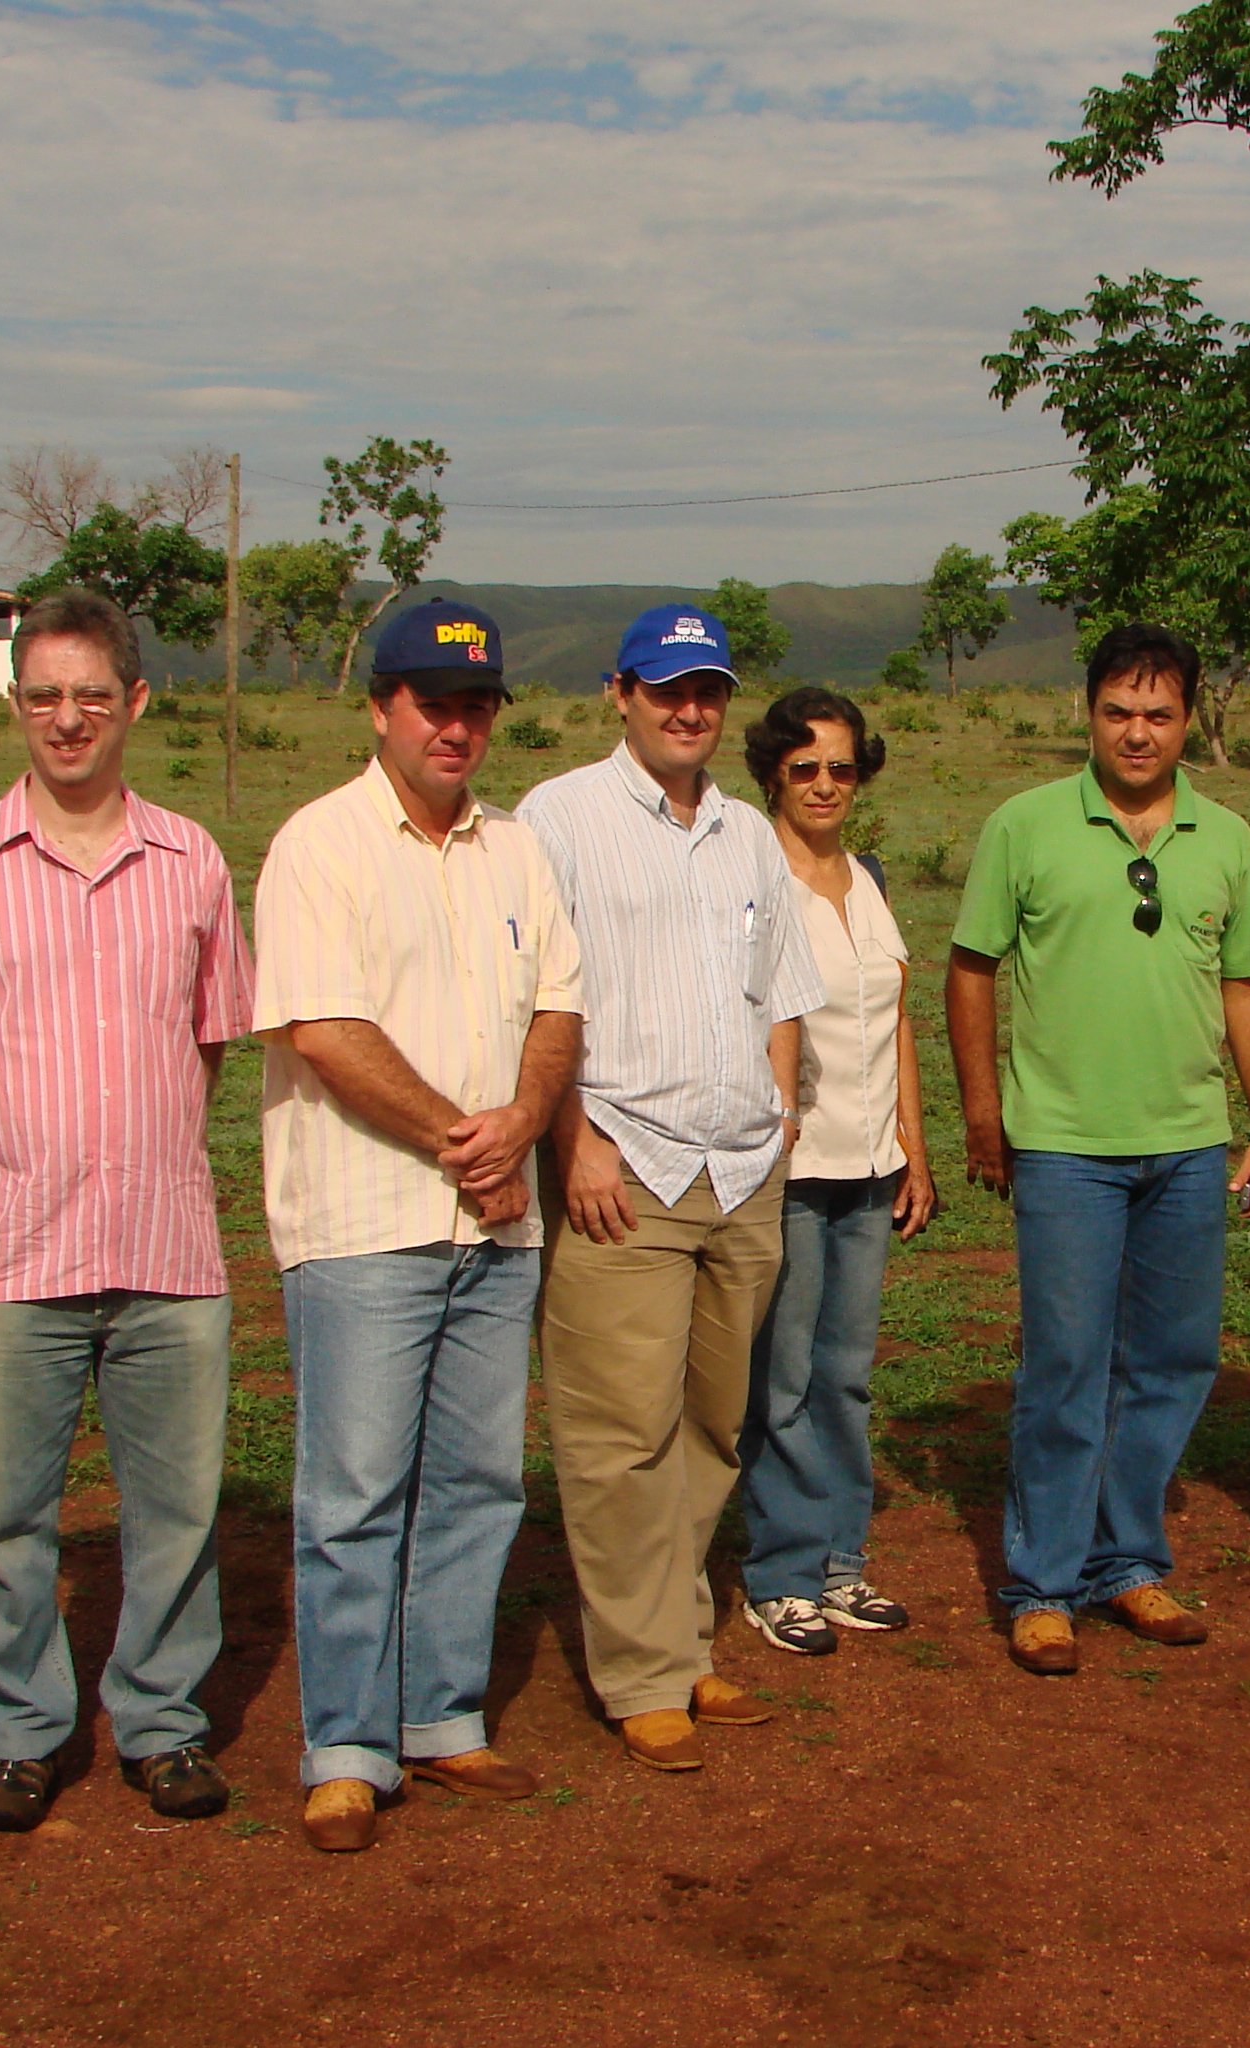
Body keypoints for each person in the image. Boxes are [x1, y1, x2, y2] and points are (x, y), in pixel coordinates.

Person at [0, 588, 253, 1831]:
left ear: (134, 702)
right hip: (11, 1244)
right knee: (5, 1513)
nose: (66, 719)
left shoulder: (193, 861)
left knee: (176, 1508)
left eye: (90, 695)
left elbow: (206, 1039)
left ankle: (164, 1722)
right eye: (42, 695)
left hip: (166, 1243)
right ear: (13, 706)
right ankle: (19, 1731)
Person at [252, 600, 582, 1852]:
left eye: (475, 703)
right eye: (430, 702)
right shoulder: (319, 845)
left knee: (477, 1481)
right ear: (380, 707)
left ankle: (442, 1715)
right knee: (353, 1491)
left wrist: (526, 1120)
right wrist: (475, 1141)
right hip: (366, 1220)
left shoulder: (518, 850)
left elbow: (560, 1007)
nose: (455, 724)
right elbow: (325, 1032)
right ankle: (345, 1743)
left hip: (496, 1230)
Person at [949, 624, 1250, 1677]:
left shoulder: (1225, 836)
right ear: (1085, 710)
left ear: (1190, 717)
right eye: (1116, 711)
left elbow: (1248, 985)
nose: (1136, 733)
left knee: (1173, 1360)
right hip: (1063, 1145)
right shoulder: (1027, 824)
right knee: (1064, 1364)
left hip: (1188, 1144)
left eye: (1158, 713)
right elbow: (972, 970)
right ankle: (1043, 1582)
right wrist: (982, 1115)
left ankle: (1128, 1558)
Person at [517, 605, 824, 1770]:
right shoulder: (561, 818)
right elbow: (541, 997)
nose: (686, 708)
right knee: (617, 1431)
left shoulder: (747, 833)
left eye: (705, 690)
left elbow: (779, 992)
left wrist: (781, 1119)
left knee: (709, 1422)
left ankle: (684, 1637)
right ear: (620, 693)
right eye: (664, 688)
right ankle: (641, 1669)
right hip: (624, 1163)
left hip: (741, 1163)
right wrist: (573, 1139)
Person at [734, 687, 936, 1657]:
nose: (824, 784)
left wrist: (915, 1150)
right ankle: (779, 1572)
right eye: (805, 765)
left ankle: (839, 1562)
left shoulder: (870, 878)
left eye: (842, 768)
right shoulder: (749, 876)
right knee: (781, 1377)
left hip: (869, 1163)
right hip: (789, 1166)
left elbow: (895, 1018)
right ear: (774, 768)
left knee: (845, 1375)